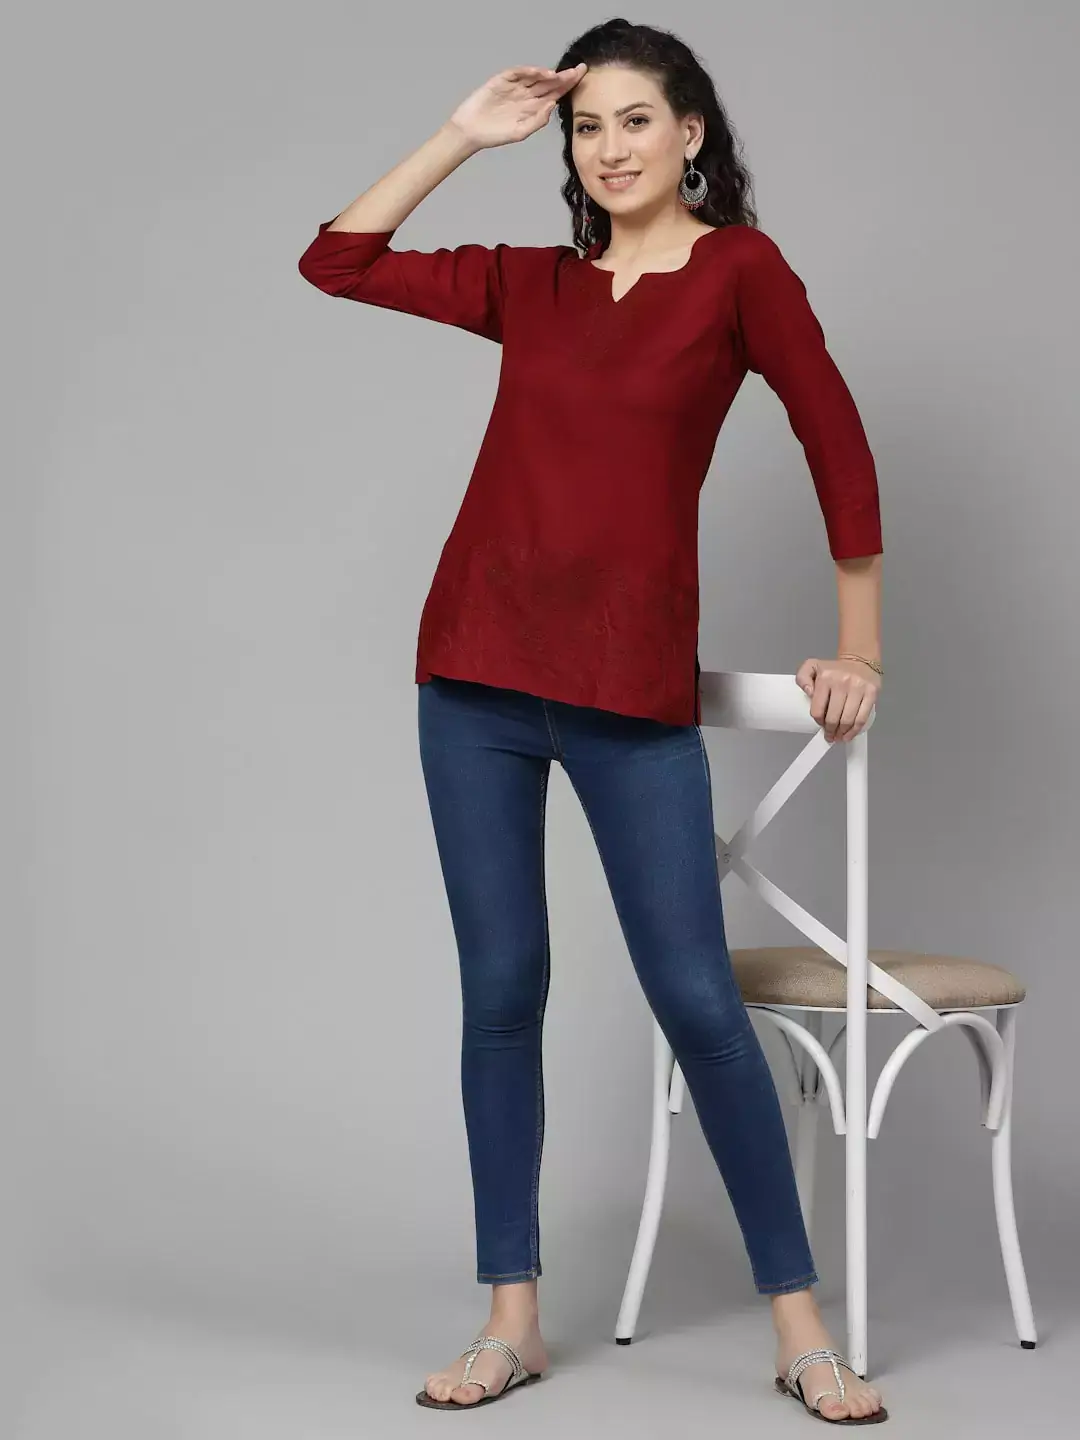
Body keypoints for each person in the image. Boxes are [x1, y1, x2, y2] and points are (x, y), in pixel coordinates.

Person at [298, 17, 887, 1426]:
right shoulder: (534, 284)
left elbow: (836, 436)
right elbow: (338, 261)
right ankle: (512, 1322)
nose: (610, 148)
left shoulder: (740, 273)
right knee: (502, 991)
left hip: (629, 694)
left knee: (695, 998)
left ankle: (801, 1330)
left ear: (691, 133)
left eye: (635, 120)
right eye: (586, 126)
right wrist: (464, 134)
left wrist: (860, 643)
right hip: (476, 678)